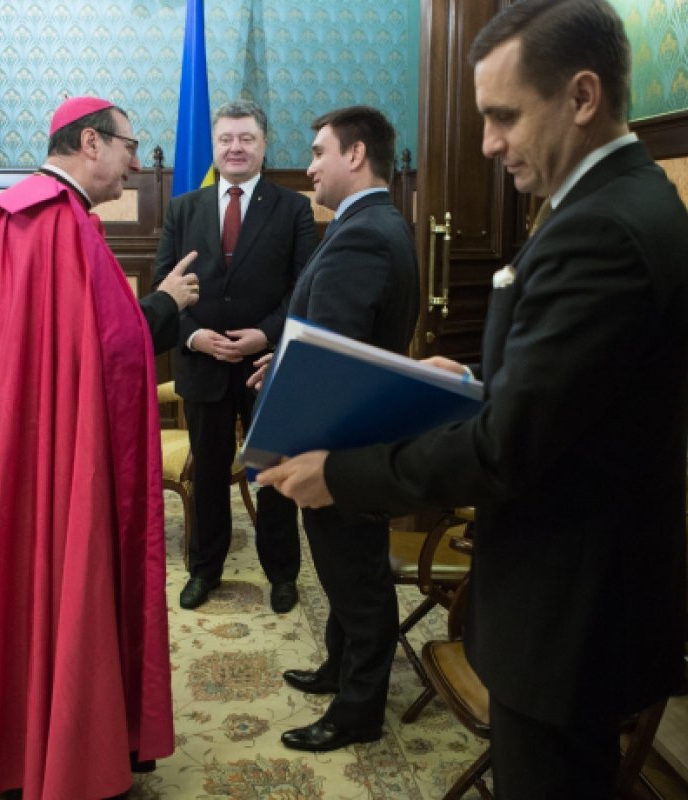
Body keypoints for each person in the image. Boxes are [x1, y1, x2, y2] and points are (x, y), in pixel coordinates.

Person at [257, 1, 688, 795]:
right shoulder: (613, 201)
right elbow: (569, 392)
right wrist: (473, 382)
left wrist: (342, 474)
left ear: (582, 96)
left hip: (570, 609)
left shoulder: (602, 228)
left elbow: (506, 448)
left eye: (504, 115)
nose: (489, 142)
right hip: (573, 597)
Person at [0, 96, 201, 800]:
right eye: (129, 147)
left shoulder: (14, 215)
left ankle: (17, 747)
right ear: (91, 142)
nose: (136, 164)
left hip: (21, 444)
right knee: (70, 580)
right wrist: (167, 303)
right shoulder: (61, 222)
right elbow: (111, 350)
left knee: (22, 581)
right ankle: (71, 752)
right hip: (66, 453)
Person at [256, 105, 418, 753]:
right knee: (344, 568)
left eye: (319, 151)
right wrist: (281, 355)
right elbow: (328, 332)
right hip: (351, 433)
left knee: (359, 580)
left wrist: (297, 441)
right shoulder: (370, 223)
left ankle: (358, 711)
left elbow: (332, 357)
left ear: (356, 154)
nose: (309, 167)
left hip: (341, 444)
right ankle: (338, 668)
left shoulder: (364, 234)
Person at [153, 99, 317, 613]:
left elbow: (304, 289)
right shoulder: (183, 208)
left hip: (266, 366)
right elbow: (164, 288)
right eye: (226, 138)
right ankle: (205, 569)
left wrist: (265, 336)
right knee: (207, 474)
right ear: (214, 145)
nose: (235, 147)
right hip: (202, 363)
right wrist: (194, 337)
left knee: (272, 473)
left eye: (246, 138)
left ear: (264, 145)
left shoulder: (293, 208)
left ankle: (282, 573)